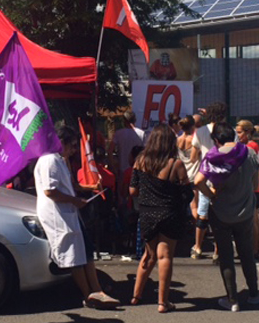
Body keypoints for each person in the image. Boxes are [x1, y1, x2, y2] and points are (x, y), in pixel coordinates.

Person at [34, 125, 120, 310]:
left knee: (85, 252)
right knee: (74, 256)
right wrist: (74, 201)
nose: (74, 150)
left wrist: (91, 189)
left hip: (69, 212)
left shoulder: (60, 160)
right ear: (61, 142)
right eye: (72, 145)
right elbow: (50, 191)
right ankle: (88, 294)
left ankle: (97, 290)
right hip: (59, 214)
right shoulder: (49, 160)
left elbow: (71, 185)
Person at [195, 122, 259, 312]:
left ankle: (232, 299)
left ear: (216, 140)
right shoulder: (248, 153)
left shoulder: (213, 157)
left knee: (226, 257)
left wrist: (211, 195)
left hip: (220, 213)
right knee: (246, 255)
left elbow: (198, 182)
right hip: (244, 212)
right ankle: (254, 294)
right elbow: (255, 182)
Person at [129, 124, 192, 313]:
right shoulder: (176, 164)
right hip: (169, 213)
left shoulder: (140, 161)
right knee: (165, 256)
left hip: (147, 213)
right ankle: (163, 303)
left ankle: (135, 296)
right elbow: (187, 194)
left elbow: (132, 190)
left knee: (148, 255)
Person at [190, 102, 228, 262]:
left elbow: (193, 156)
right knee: (221, 216)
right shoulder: (228, 130)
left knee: (203, 213)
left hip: (205, 177)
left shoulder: (200, 132)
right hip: (224, 177)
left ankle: (197, 247)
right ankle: (218, 251)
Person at [236, 120, 259, 259]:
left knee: (253, 219)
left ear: (248, 132)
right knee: (255, 219)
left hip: (254, 186)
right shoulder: (255, 146)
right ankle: (256, 247)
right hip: (258, 185)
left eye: (240, 132)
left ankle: (254, 249)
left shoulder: (251, 147)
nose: (238, 135)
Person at [109, 111, 145, 197]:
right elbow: (145, 153)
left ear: (124, 120)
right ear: (135, 120)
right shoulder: (142, 133)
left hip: (122, 170)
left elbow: (110, 151)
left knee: (122, 196)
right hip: (137, 170)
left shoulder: (118, 133)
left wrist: (114, 167)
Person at [177, 115, 199, 224]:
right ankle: (197, 233)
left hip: (182, 175)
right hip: (194, 175)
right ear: (192, 126)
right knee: (194, 206)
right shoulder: (195, 141)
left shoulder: (178, 140)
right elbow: (194, 158)